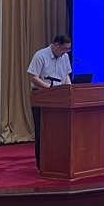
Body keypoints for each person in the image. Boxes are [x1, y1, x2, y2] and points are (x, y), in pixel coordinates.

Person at [27, 34, 73, 170]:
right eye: (64, 49)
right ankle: (42, 164)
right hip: (42, 96)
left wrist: (70, 89)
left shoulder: (65, 57)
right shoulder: (40, 55)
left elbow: (66, 75)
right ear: (56, 45)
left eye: (68, 49)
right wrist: (50, 88)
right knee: (43, 132)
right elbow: (34, 77)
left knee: (59, 132)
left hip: (60, 97)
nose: (65, 52)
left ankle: (58, 161)